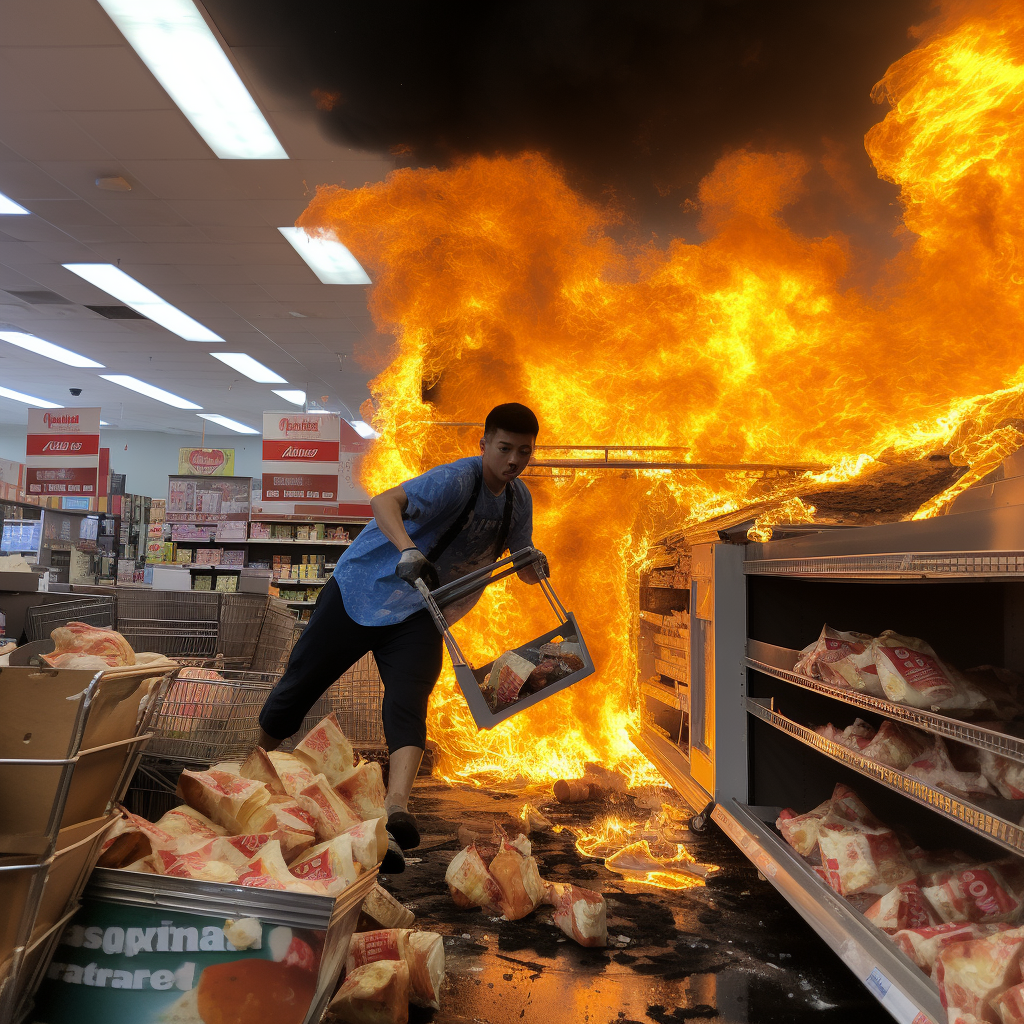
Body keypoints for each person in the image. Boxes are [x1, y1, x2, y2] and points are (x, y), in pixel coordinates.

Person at [257, 402, 546, 871]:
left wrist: (535, 566)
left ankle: (396, 809)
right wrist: (408, 550)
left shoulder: (518, 500)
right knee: (303, 682)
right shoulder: (456, 479)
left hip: (418, 609)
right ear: (484, 445)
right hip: (361, 590)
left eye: (524, 452)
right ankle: (252, 766)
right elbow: (383, 502)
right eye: (504, 448)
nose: (513, 460)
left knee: (409, 698)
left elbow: (522, 562)